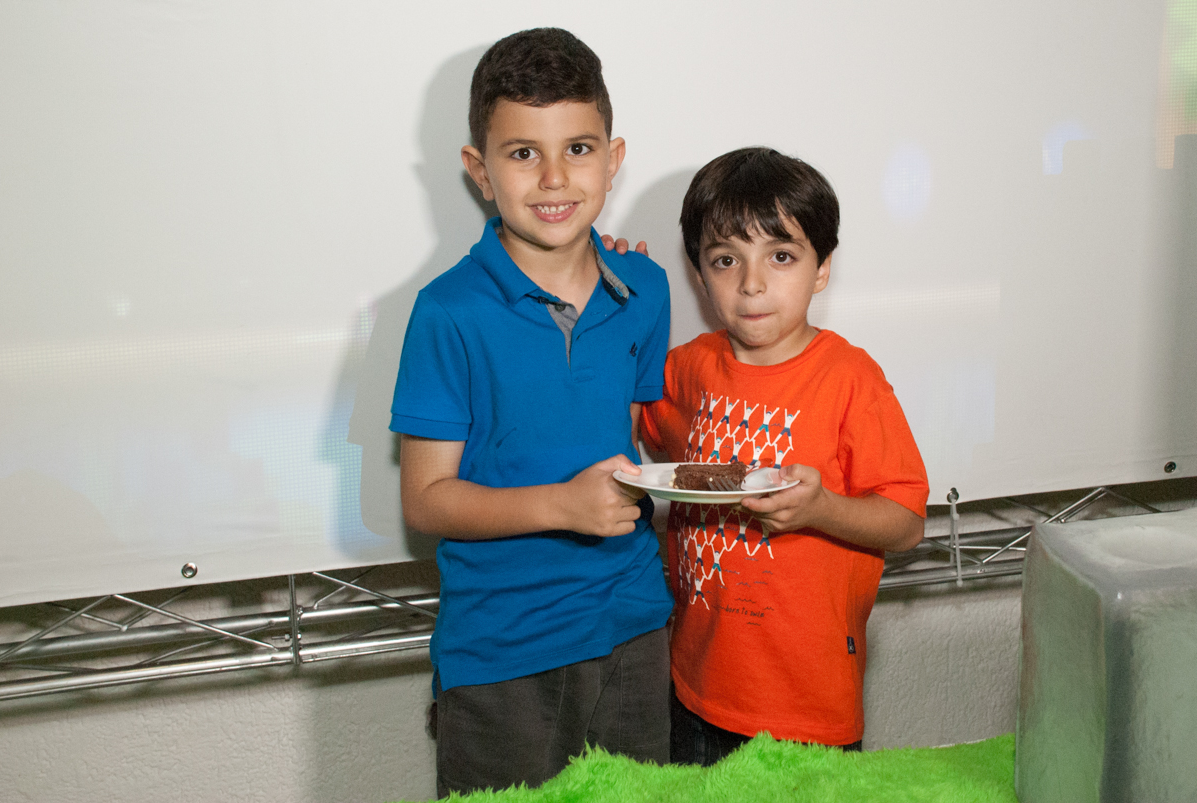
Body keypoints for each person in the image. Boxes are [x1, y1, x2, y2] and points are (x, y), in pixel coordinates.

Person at [390, 28, 672, 796]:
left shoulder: (646, 289)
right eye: (523, 154)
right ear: (480, 171)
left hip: (635, 628)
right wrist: (564, 505)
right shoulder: (446, 312)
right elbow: (425, 498)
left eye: (579, 150)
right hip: (502, 651)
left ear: (613, 161)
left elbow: (643, 443)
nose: (555, 178)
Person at [638, 147, 929, 765]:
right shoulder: (689, 369)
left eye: (781, 256)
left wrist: (822, 509)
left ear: (822, 268)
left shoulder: (851, 379)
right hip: (692, 688)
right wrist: (614, 299)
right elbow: (628, 421)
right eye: (725, 260)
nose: (751, 283)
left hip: (807, 708)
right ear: (699, 274)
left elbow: (905, 521)